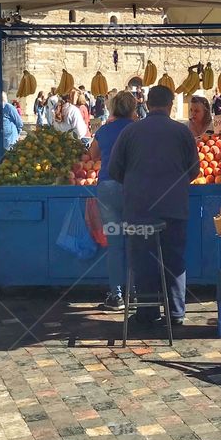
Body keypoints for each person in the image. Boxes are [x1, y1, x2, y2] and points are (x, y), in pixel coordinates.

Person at [107, 85, 200, 327]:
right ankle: (176, 313)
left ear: (147, 105)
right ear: (171, 105)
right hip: (174, 208)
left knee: (143, 260)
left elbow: (114, 170)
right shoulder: (182, 132)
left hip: (139, 209)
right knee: (174, 259)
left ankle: (147, 313)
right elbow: (194, 170)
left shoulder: (130, 132)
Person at [89, 91, 137, 311]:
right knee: (135, 240)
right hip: (133, 187)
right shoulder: (138, 129)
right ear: (133, 108)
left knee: (115, 243)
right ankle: (134, 291)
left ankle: (116, 295)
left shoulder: (105, 130)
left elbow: (92, 155)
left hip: (108, 186)